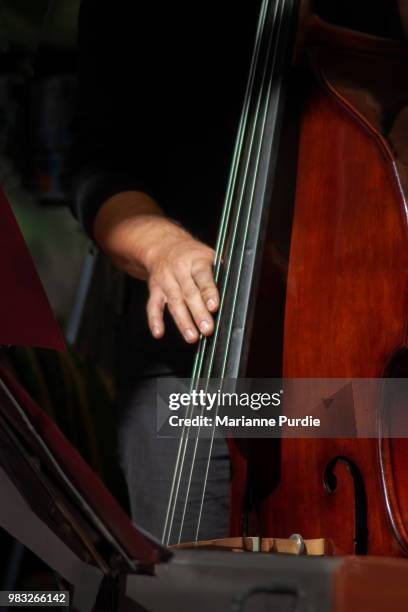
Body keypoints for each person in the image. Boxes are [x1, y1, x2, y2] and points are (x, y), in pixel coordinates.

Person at [70, 0, 407, 542]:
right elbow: (96, 164)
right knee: (184, 579)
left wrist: (347, 50)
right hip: (192, 360)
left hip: (346, 363)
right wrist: (159, 243)